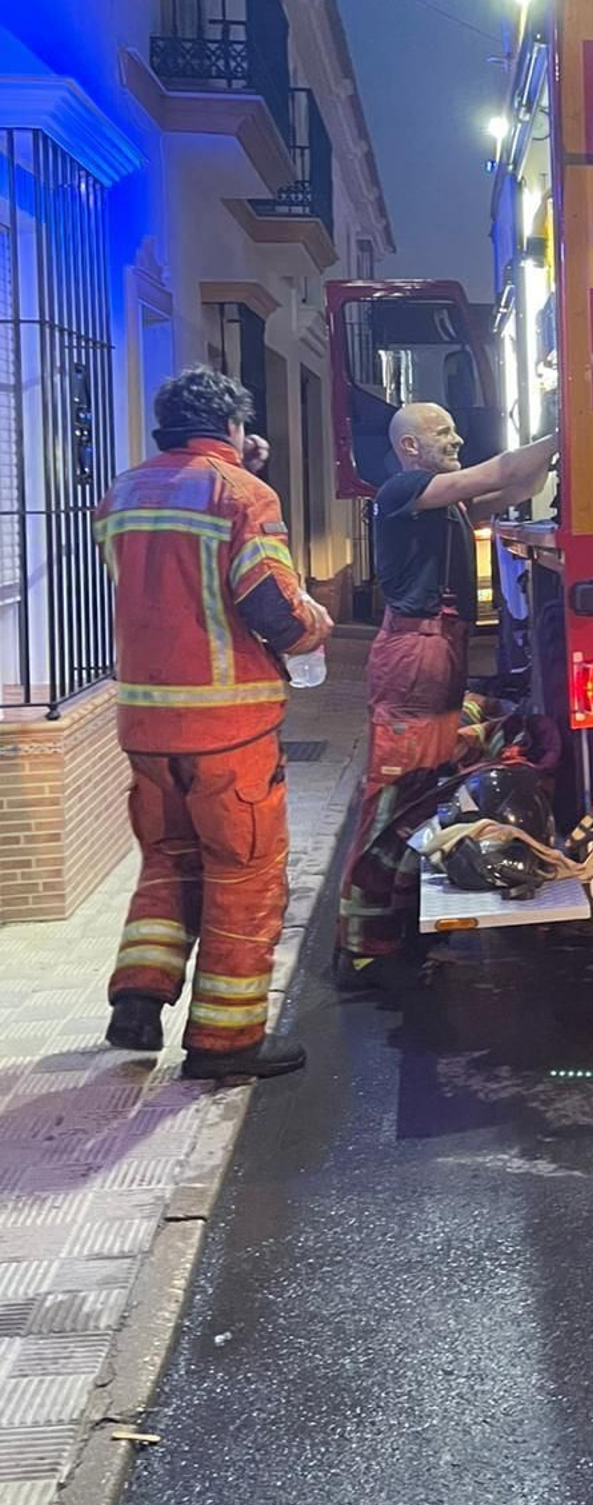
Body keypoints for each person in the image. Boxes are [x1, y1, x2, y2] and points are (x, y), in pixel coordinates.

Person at [94, 368, 333, 1079]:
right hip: (227, 726)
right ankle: (227, 1042)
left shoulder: (123, 492)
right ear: (232, 426)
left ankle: (137, 1000)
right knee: (245, 872)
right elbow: (270, 606)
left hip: (144, 721)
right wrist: (311, 629)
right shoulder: (243, 494)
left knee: (167, 858)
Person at [335, 406, 557, 985]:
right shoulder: (404, 488)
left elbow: (516, 481)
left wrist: (558, 449)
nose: (457, 437)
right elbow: (494, 472)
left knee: (419, 795)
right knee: (393, 803)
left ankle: (394, 935)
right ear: (410, 447)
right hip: (415, 655)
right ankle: (364, 948)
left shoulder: (445, 508)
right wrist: (572, 428)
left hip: (435, 650)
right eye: (442, 433)